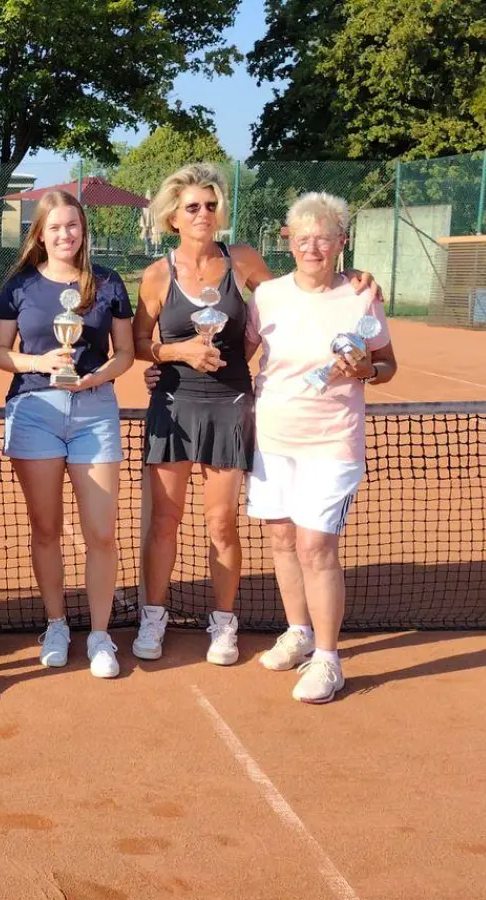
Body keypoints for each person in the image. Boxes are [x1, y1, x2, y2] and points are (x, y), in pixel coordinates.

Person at [246, 192, 397, 704]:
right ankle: (298, 631)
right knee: (283, 541)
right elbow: (236, 358)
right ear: (288, 240)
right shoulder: (266, 295)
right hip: (272, 436)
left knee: (316, 547)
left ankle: (328, 659)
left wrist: (367, 371)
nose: (313, 246)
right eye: (303, 237)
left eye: (324, 237)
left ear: (341, 242)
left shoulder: (361, 295)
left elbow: (387, 365)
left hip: (332, 439)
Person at [0, 190, 134, 679]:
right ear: (41, 233)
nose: (65, 234)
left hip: (95, 411)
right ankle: (56, 625)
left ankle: (98, 634)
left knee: (101, 532)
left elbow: (125, 353)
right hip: (34, 410)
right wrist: (39, 362)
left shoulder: (108, 283)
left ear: (82, 231)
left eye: (72, 225)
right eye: (55, 227)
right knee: (45, 529)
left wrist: (95, 377)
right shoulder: (19, 285)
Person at [131, 163, 270, 666]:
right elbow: (140, 346)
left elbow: (289, 301)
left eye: (211, 206)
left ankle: (224, 624)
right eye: (193, 207)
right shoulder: (155, 275)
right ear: (173, 217)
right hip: (173, 404)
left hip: (230, 404)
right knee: (164, 521)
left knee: (222, 523)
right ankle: (153, 615)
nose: (204, 215)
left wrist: (350, 280)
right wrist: (179, 353)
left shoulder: (243, 261)